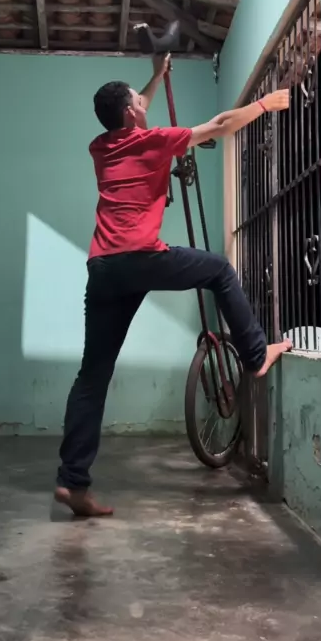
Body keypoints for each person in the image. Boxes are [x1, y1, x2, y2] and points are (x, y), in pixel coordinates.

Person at [55, 55, 292, 516]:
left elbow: (135, 105)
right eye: (139, 103)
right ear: (131, 114)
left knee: (92, 377)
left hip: (102, 267)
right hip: (141, 258)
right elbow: (220, 125)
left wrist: (157, 76)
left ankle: (72, 482)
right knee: (218, 269)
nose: (145, 105)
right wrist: (263, 104)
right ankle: (255, 354)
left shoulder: (100, 147)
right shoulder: (154, 141)